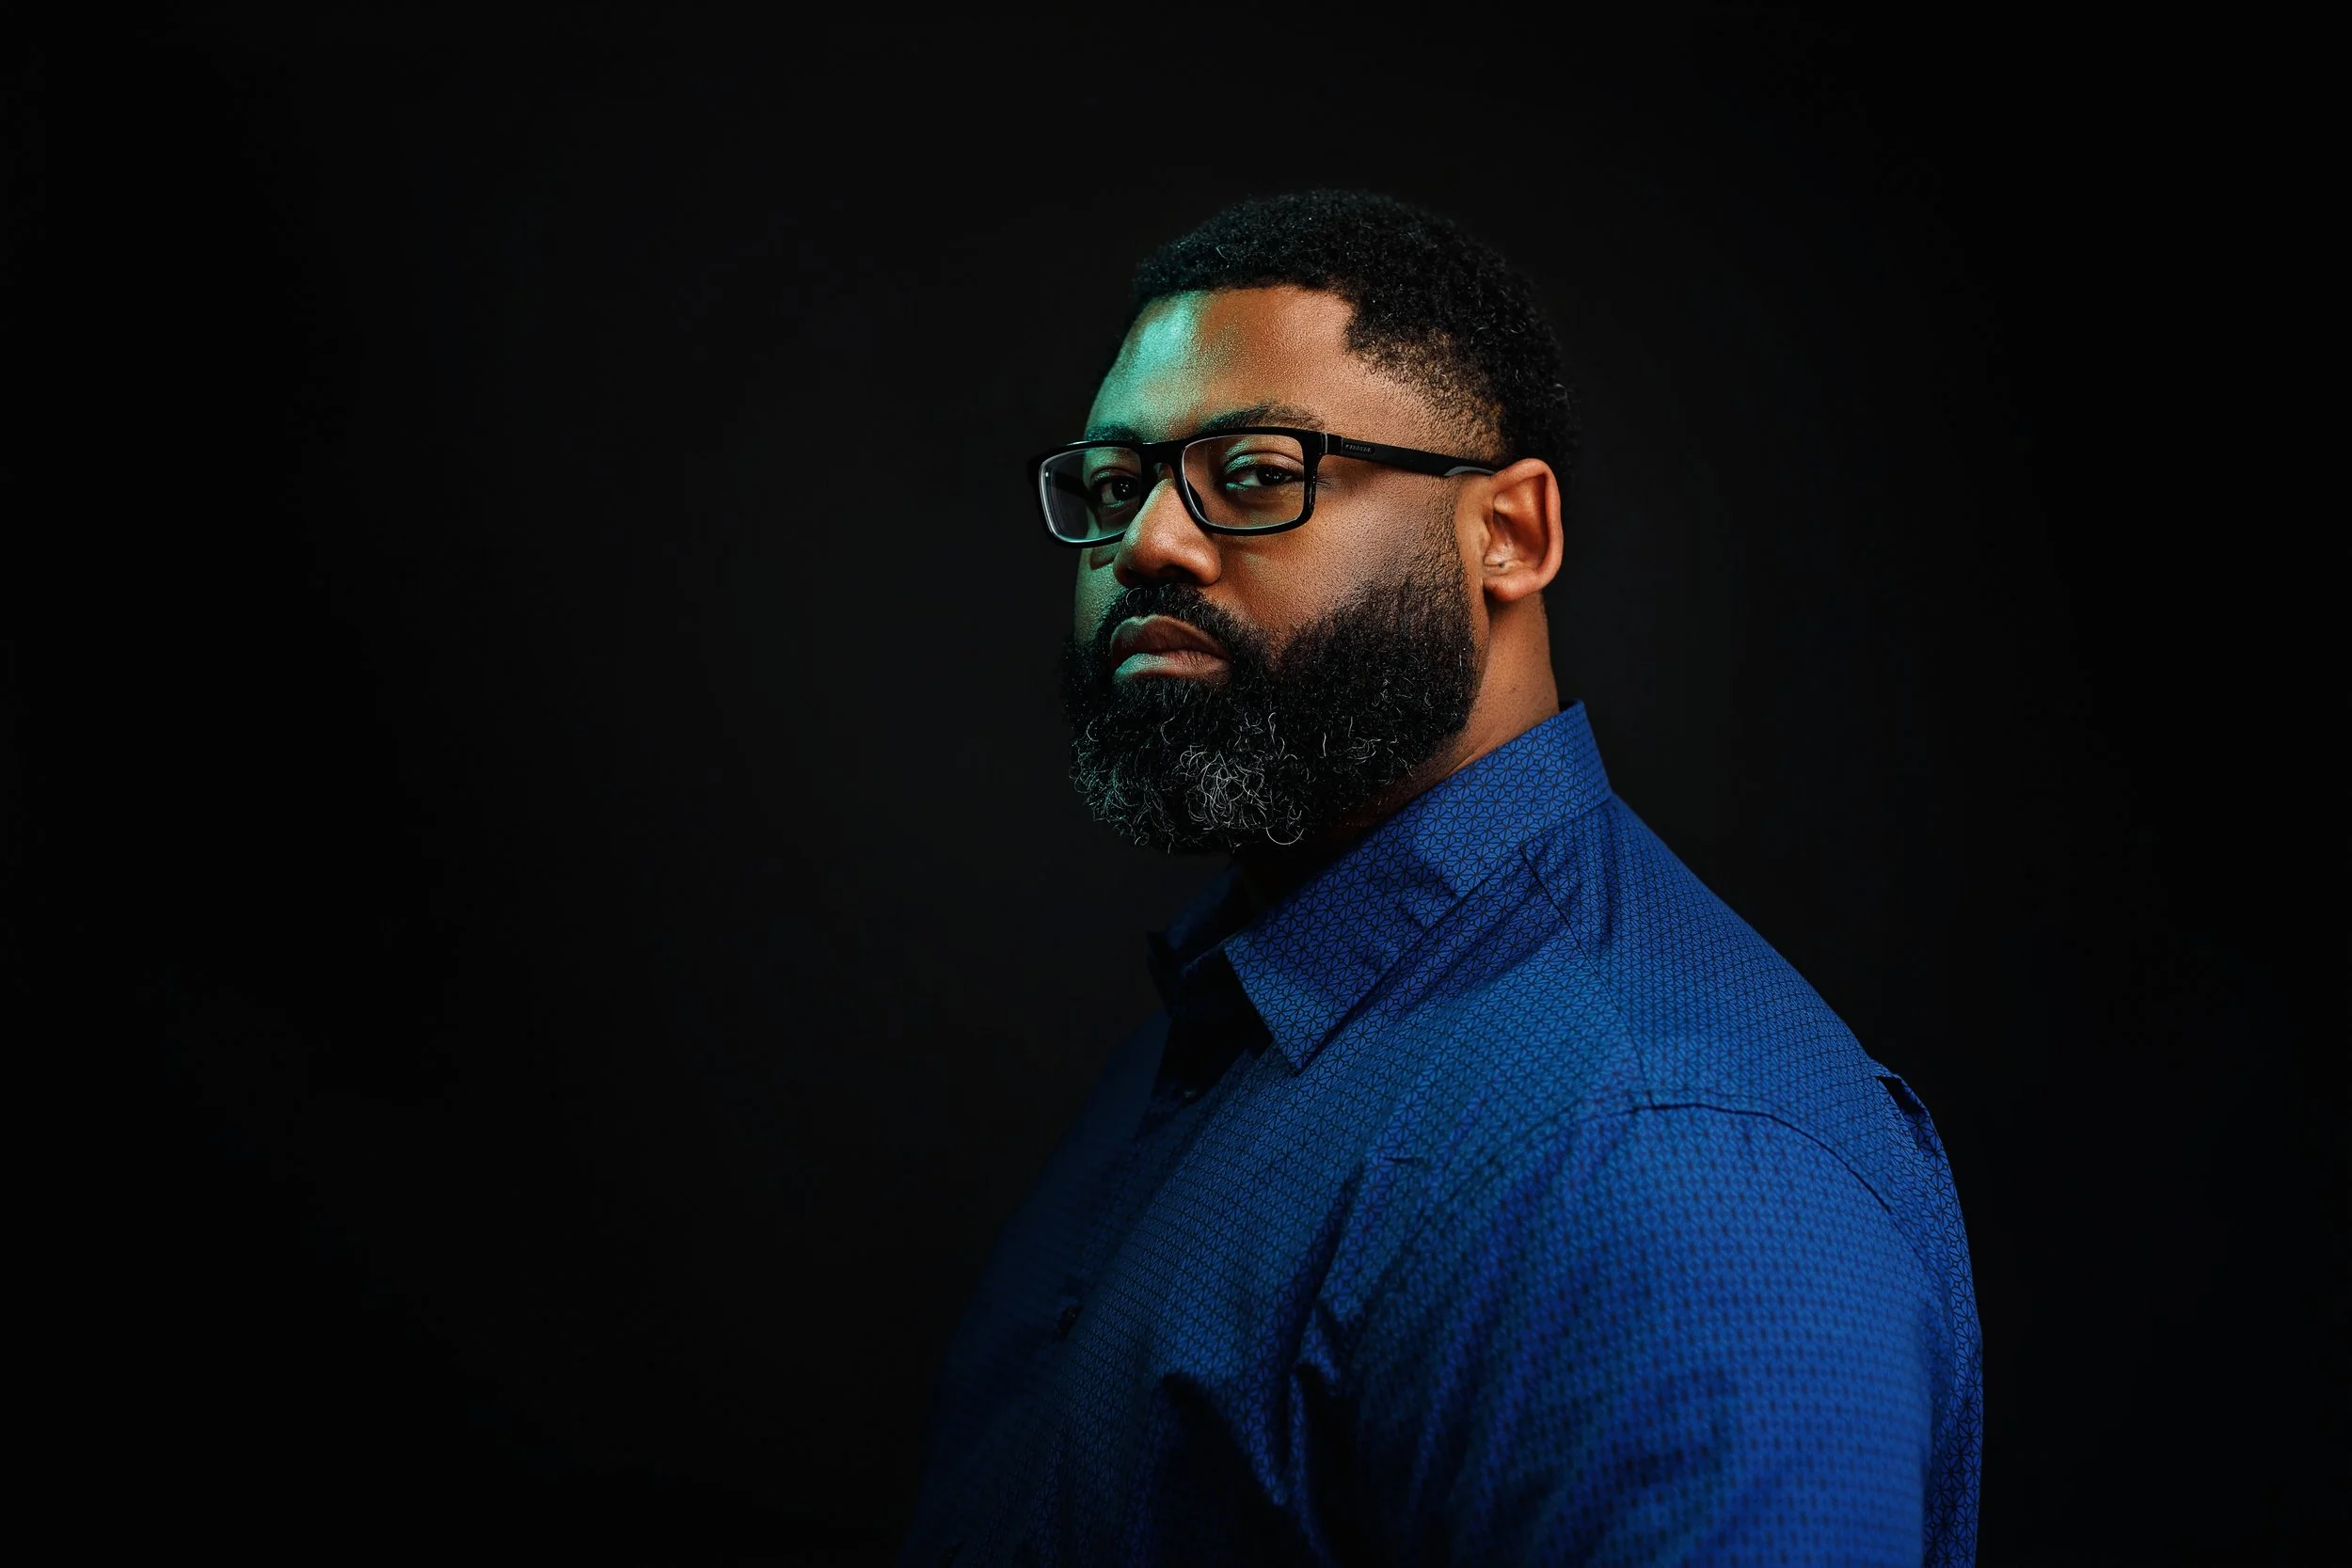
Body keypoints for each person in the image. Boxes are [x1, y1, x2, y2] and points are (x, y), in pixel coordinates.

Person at [902, 190, 1981, 1566]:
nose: (1149, 544)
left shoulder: (1663, 1165)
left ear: (1510, 535)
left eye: (1256, 472)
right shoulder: (1251, 1005)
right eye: (1117, 485)